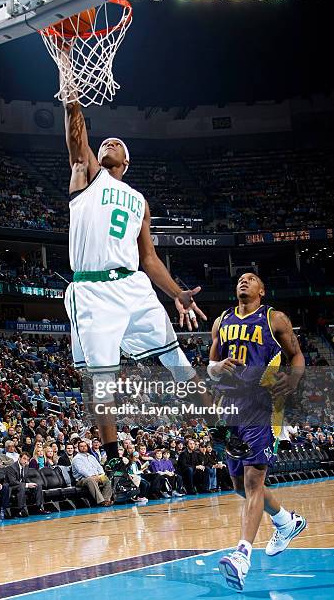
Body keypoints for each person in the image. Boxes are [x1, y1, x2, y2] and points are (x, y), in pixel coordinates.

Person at [61, 88, 210, 463]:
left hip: (133, 285)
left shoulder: (139, 200)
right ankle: (114, 461)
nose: (109, 142)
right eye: (105, 141)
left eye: (117, 144)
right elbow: (78, 135)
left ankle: (224, 432)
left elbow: (149, 257)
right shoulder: (86, 174)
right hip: (93, 288)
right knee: (102, 379)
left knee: (177, 358)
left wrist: (177, 292)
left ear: (126, 162)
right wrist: (71, 96)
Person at [208, 273, 306, 591]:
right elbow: (210, 365)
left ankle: (242, 556)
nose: (244, 281)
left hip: (263, 404)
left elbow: (298, 356)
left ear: (262, 290)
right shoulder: (222, 320)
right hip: (230, 408)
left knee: (253, 482)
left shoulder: (274, 318)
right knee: (239, 485)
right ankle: (285, 521)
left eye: (251, 279)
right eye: (240, 278)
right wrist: (216, 367)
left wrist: (292, 380)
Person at [71, 441, 113, 506]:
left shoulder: (91, 457)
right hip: (81, 480)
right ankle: (101, 501)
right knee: (90, 480)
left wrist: (101, 475)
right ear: (78, 448)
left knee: (106, 479)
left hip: (96, 477)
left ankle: (106, 500)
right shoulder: (76, 458)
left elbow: (99, 467)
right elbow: (82, 470)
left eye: (85, 446)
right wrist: (92, 476)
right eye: (81, 446)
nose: (83, 448)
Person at [5, 452, 47, 517]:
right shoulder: (11, 467)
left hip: (21, 486)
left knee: (38, 485)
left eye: (27, 460)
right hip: (12, 487)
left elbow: (25, 478)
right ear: (19, 458)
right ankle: (20, 510)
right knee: (22, 486)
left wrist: (31, 484)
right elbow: (12, 482)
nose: (25, 461)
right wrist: (26, 485)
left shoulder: (26, 467)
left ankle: (39, 508)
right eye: (24, 459)